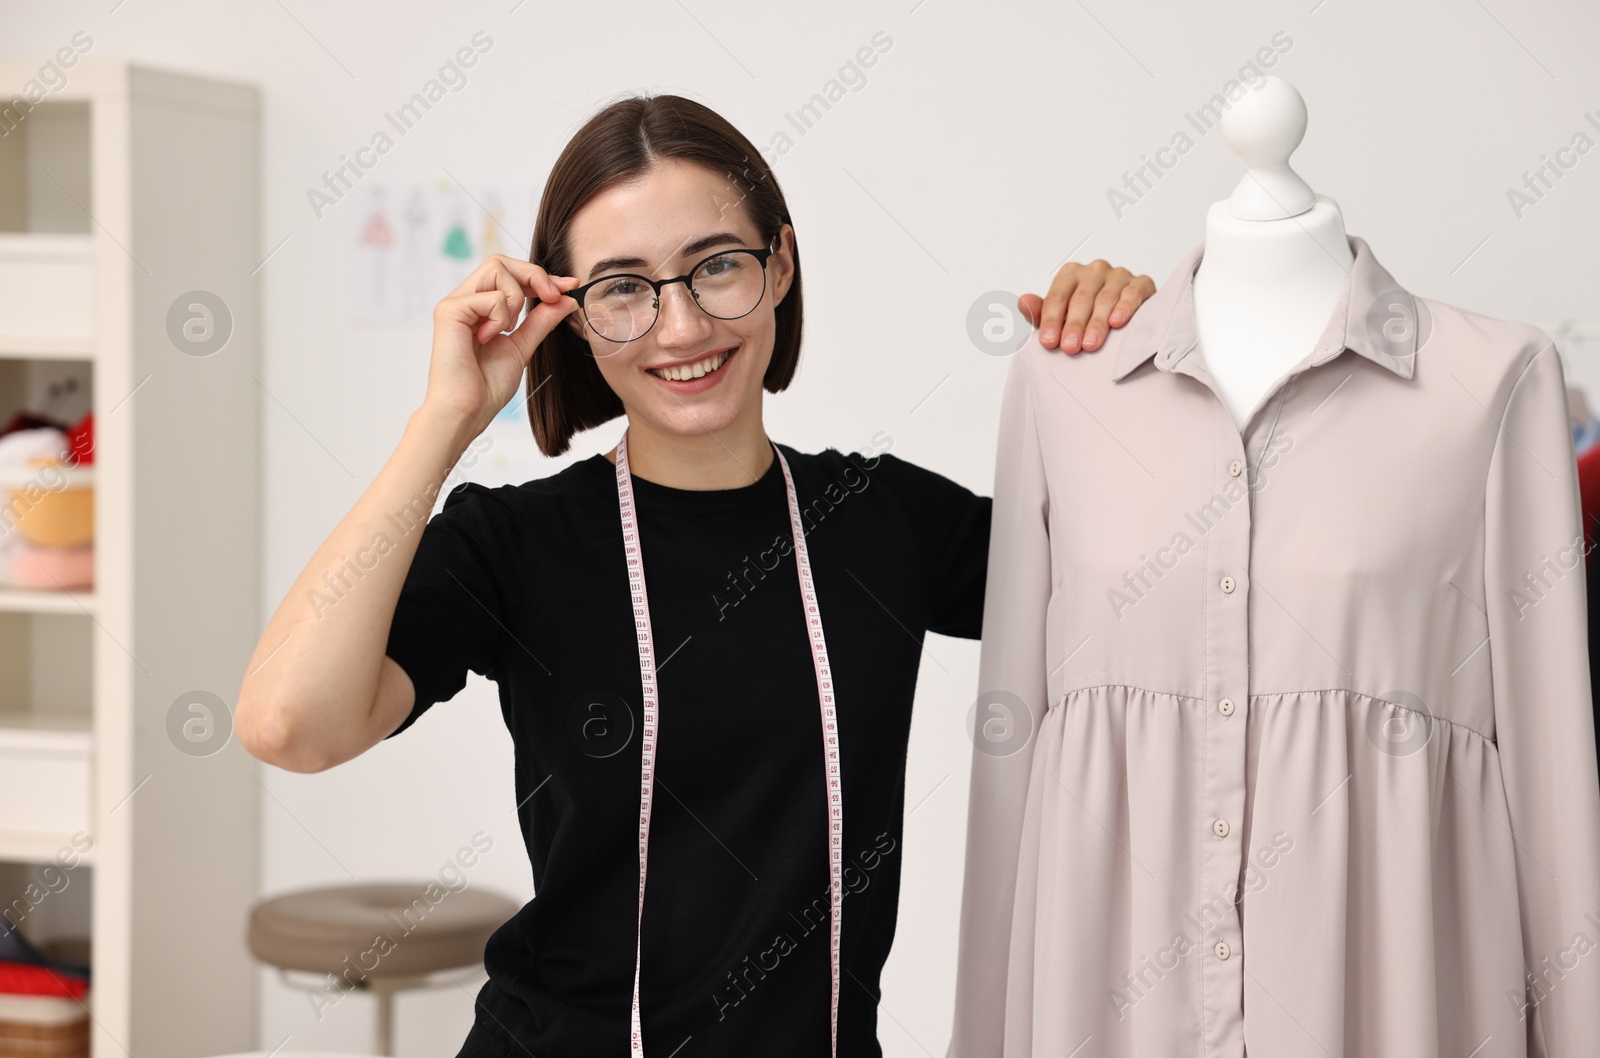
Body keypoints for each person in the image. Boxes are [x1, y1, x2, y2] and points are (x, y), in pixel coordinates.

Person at [235, 93, 1154, 1057]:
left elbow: (1144, 590)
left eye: (717, 266)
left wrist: (1128, 356)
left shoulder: (884, 523)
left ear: (781, 264)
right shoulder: (516, 544)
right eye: (624, 288)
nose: (680, 327)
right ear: (575, 319)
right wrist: (447, 420)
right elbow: (289, 723)